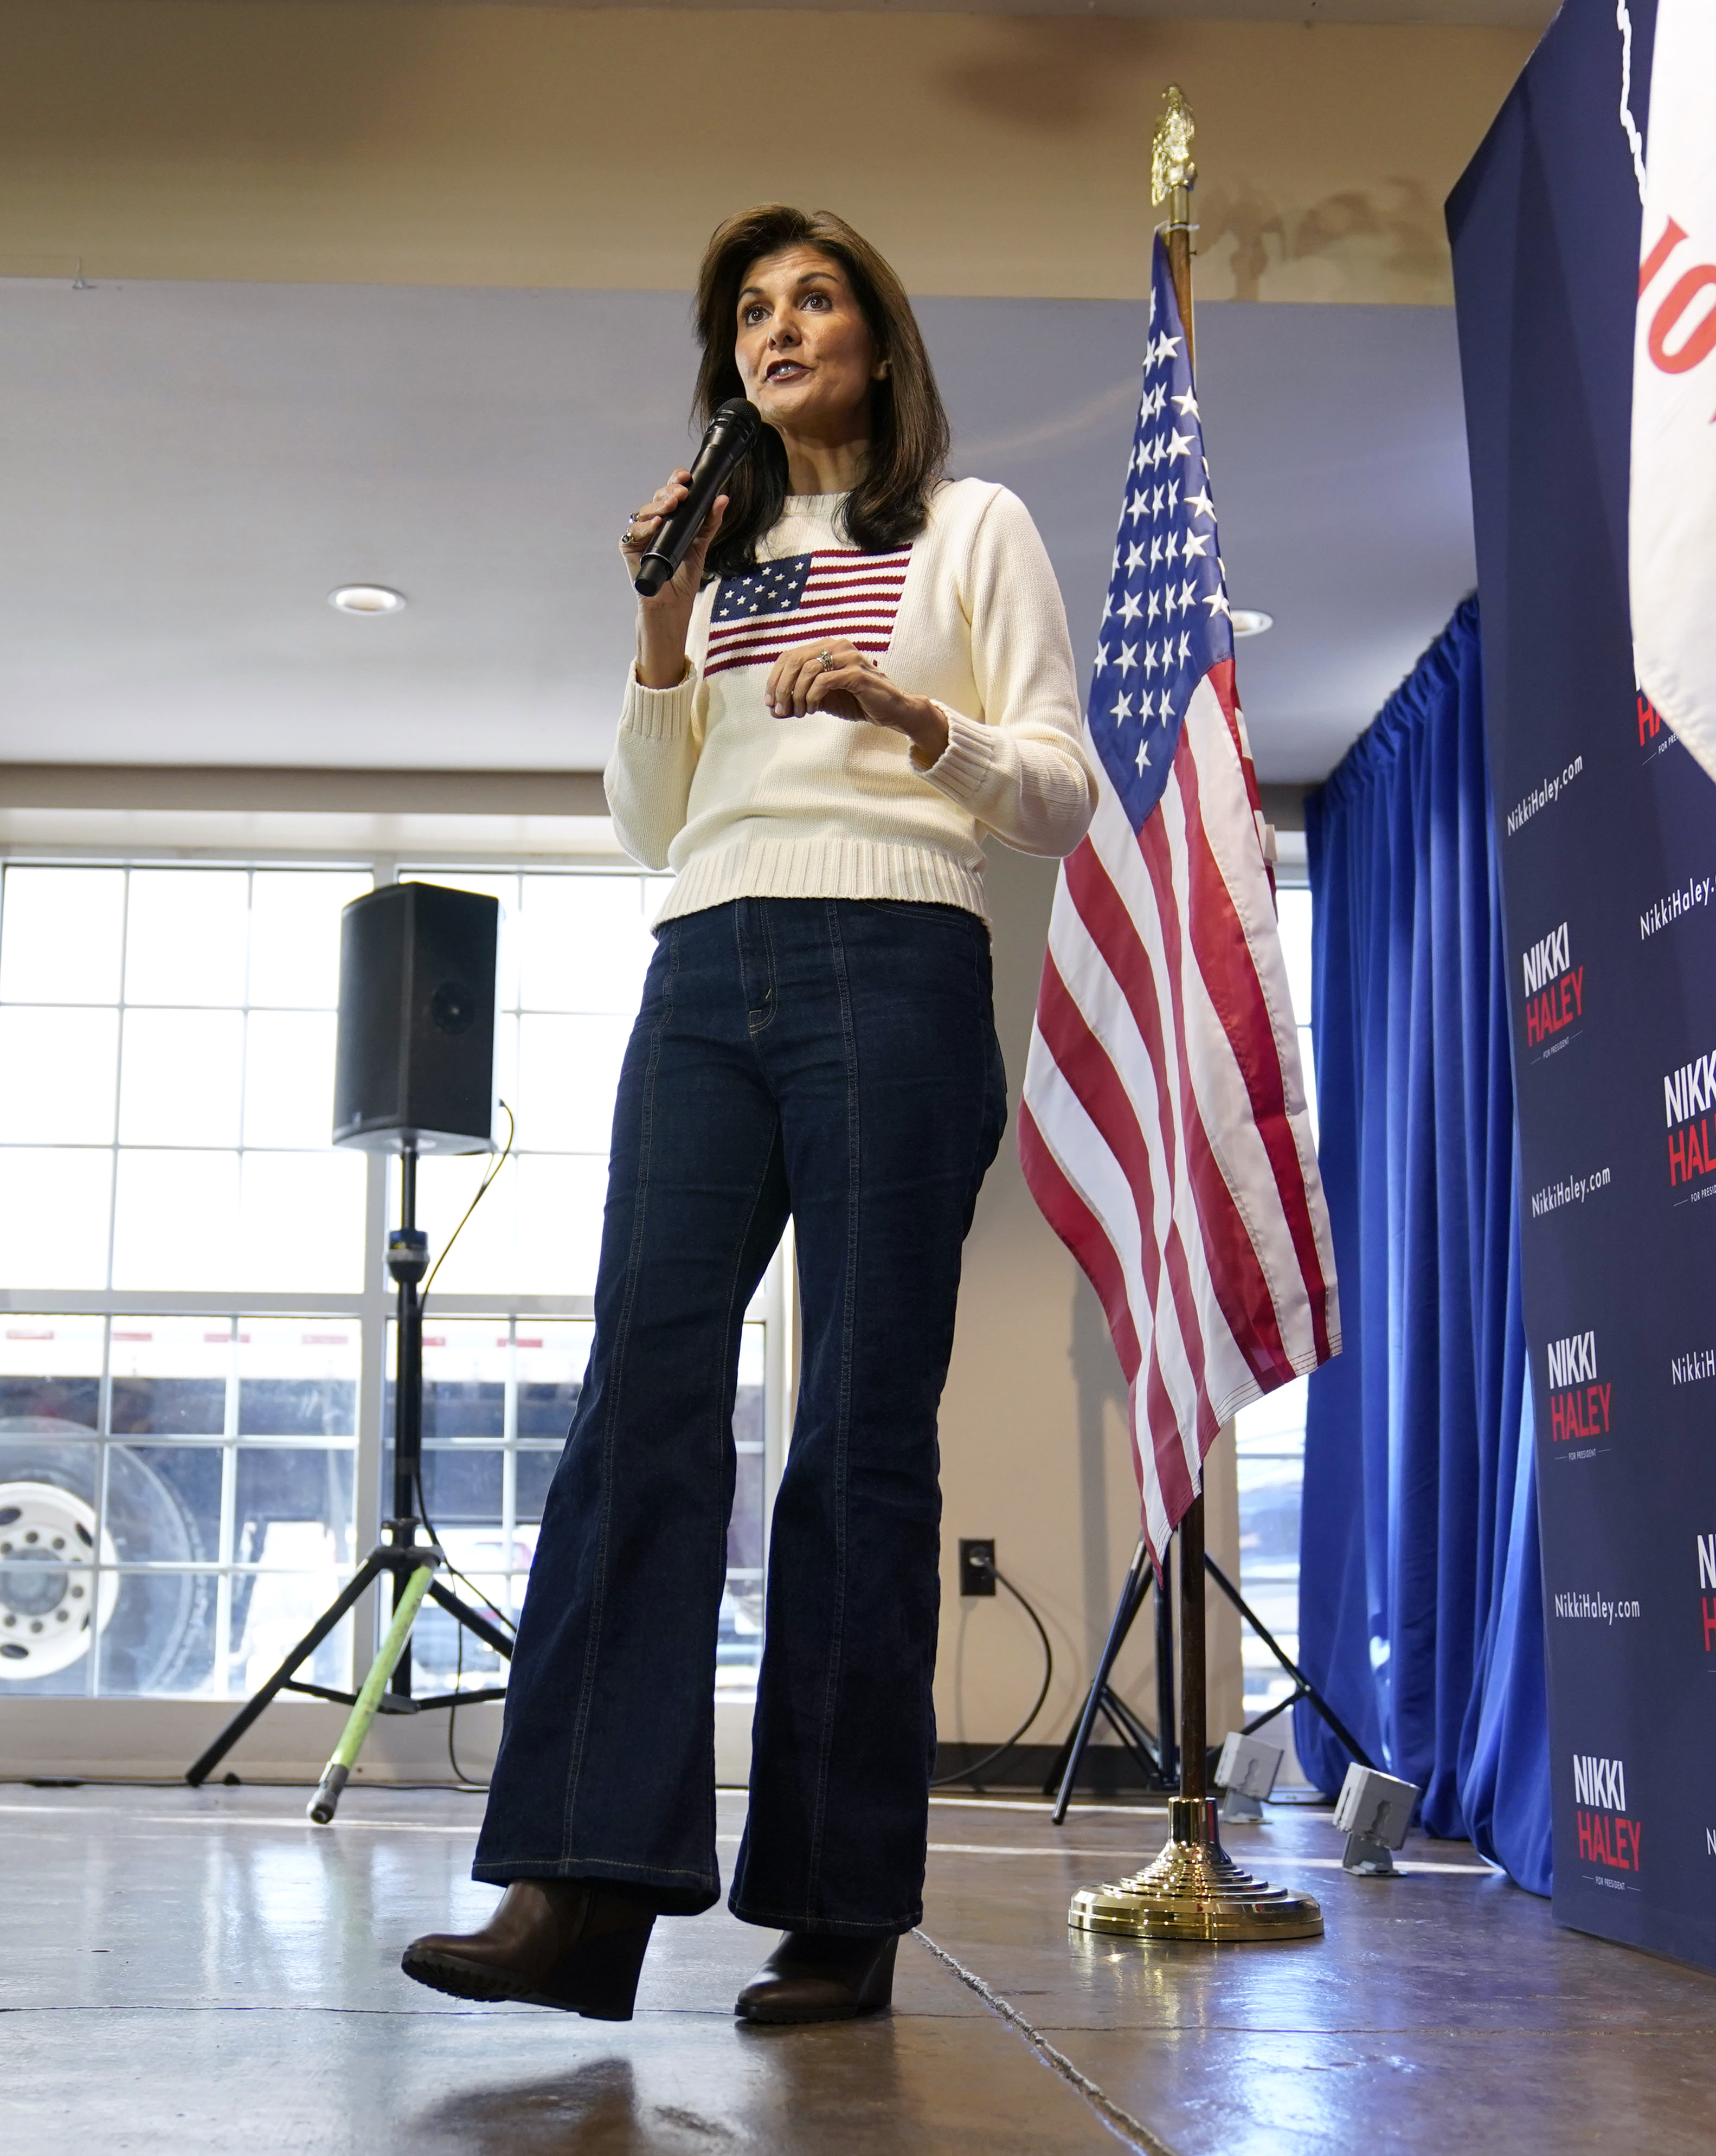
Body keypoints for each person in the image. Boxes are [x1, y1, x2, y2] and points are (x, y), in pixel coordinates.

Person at [399, 207, 1096, 2025]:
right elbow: (650, 816)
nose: (779, 327)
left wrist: (906, 710)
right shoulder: (712, 562)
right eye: (749, 311)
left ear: (878, 332)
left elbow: (1056, 792)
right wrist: (654, 608)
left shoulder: (969, 526)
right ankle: (580, 1887)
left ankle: (837, 1901)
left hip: (894, 959)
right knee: (641, 1401)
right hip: (703, 964)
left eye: (814, 297)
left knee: (855, 1435)